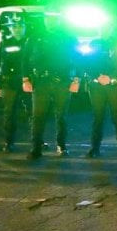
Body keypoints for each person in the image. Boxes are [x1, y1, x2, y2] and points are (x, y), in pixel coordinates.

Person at [22, 10, 81, 160]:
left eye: (54, 19)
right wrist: (25, 79)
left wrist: (76, 80)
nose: (51, 21)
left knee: (61, 116)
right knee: (38, 117)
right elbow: (24, 59)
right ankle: (36, 148)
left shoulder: (68, 38)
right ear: (44, 20)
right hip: (41, 82)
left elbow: (78, 59)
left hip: (62, 82)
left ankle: (62, 145)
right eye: (48, 19)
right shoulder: (35, 37)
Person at [82, 34, 117, 158]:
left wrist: (110, 77)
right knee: (98, 117)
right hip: (97, 85)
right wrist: (97, 76)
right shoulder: (94, 43)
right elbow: (87, 62)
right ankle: (95, 148)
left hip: (116, 85)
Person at [0, 15, 30, 152]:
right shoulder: (4, 43)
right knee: (9, 113)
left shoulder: (31, 42)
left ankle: (37, 141)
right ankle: (9, 141)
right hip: (9, 83)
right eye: (14, 26)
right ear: (10, 28)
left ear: (25, 27)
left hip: (29, 82)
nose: (17, 29)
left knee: (33, 112)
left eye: (20, 26)